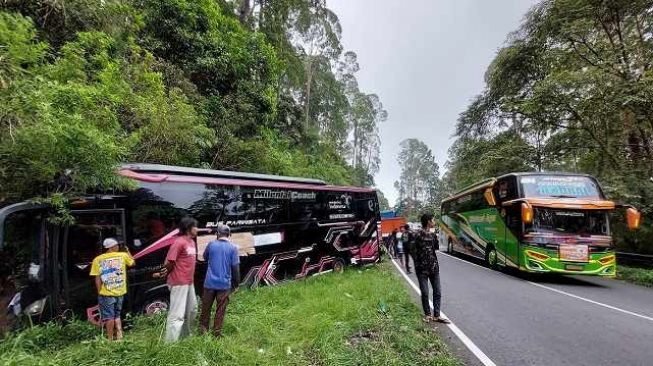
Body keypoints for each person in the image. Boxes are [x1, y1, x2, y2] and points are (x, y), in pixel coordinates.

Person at [89, 238, 135, 341]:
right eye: (117, 245)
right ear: (112, 247)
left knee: (109, 317)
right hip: (120, 291)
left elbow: (97, 278)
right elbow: (132, 263)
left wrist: (99, 292)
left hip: (106, 293)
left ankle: (110, 339)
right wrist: (127, 251)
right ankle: (119, 336)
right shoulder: (123, 256)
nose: (118, 247)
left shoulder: (97, 259)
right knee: (117, 314)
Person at [199, 224, 240, 337]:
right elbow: (235, 269)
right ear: (229, 235)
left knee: (206, 307)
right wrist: (236, 285)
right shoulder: (233, 248)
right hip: (224, 285)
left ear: (217, 234)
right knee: (220, 309)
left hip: (209, 283)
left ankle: (203, 330)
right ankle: (216, 332)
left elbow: (204, 257)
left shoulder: (211, 245)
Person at [162, 217, 198, 342]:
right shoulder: (179, 242)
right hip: (178, 282)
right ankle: (170, 344)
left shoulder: (192, 242)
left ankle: (185, 338)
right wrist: (168, 273)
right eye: (195, 227)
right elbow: (169, 261)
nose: (197, 229)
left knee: (192, 310)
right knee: (177, 315)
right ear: (188, 228)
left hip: (189, 282)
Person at [412, 213, 450, 324]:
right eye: (433, 219)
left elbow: (436, 248)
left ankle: (437, 315)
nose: (434, 221)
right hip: (422, 269)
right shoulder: (418, 234)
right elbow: (413, 251)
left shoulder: (433, 235)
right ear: (428, 221)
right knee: (425, 292)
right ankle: (428, 315)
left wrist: (438, 237)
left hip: (434, 268)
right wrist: (417, 266)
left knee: (437, 292)